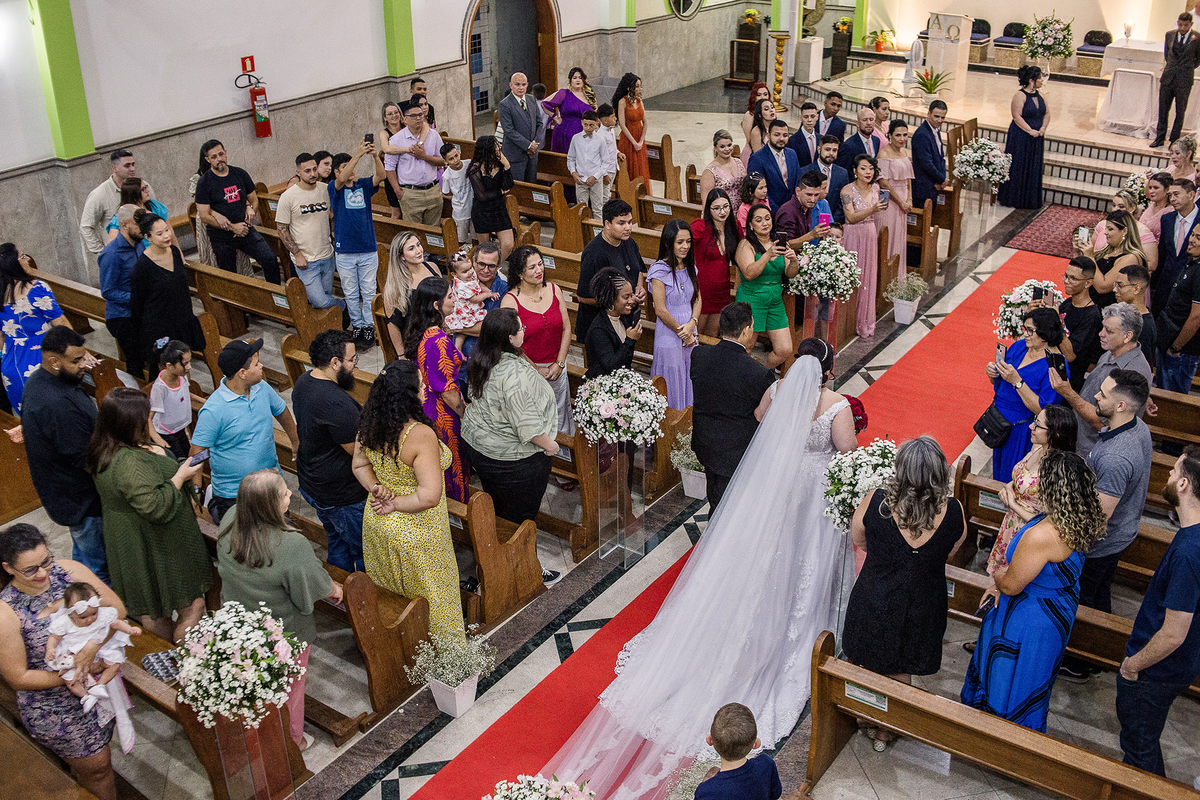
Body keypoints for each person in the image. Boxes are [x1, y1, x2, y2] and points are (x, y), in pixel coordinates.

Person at [542, 354, 856, 797]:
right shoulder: (837, 405)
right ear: (827, 370)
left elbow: (761, 417)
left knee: (771, 559)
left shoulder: (778, 390)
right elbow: (849, 452)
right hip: (815, 491)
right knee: (806, 562)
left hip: (780, 486)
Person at [961, 450, 1108, 731]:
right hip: (1056, 609)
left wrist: (998, 577)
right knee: (1035, 677)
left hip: (1029, 618)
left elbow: (1011, 584)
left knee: (1012, 680)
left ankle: (1001, 734)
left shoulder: (1043, 535)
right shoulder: (1075, 519)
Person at [843, 436, 966, 748]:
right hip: (925, 602)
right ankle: (887, 728)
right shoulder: (953, 510)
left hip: (877, 595)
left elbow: (859, 539)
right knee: (902, 666)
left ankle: (866, 715)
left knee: (868, 659)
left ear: (901, 470)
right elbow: (953, 549)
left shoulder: (877, 502)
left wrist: (888, 557)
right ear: (940, 472)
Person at [216, 469, 341, 751]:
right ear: (269, 506)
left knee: (259, 686)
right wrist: (335, 589)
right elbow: (312, 585)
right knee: (290, 689)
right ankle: (293, 743)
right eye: (284, 493)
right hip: (282, 633)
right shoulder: (290, 544)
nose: (290, 494)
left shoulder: (232, 517)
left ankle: (263, 733)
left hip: (241, 624)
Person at [0, 524, 122, 800]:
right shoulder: (6, 612)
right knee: (98, 767)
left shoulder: (69, 571)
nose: (43, 574)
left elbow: (117, 609)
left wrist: (92, 647)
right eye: (31, 570)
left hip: (96, 682)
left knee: (101, 754)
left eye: (46, 561)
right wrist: (76, 672)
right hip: (53, 705)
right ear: (8, 568)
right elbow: (18, 677)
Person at [353, 360, 466, 642]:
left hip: (378, 523)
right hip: (417, 529)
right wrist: (395, 503)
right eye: (420, 384)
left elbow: (359, 465)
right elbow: (429, 496)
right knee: (434, 595)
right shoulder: (419, 435)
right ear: (408, 395)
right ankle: (446, 654)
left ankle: (405, 648)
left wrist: (376, 487)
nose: (425, 388)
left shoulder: (370, 420)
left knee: (395, 592)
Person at [87, 387, 209, 643]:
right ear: (128, 422)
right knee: (191, 605)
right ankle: (184, 658)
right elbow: (155, 506)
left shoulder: (108, 446)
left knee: (154, 607)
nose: (148, 421)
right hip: (154, 544)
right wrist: (180, 476)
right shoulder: (127, 463)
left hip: (135, 541)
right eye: (144, 417)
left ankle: (166, 658)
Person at [1059, 370, 1154, 682]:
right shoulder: (1136, 426)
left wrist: (1067, 540)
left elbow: (1098, 516)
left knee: (1082, 600)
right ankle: (1097, 653)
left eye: (1103, 394)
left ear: (1122, 406)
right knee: (1099, 595)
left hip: (1100, 543)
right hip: (1121, 533)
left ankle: (1079, 660)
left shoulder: (1116, 458)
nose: (1096, 397)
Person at [461, 309, 561, 585]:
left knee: (501, 511)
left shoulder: (481, 357)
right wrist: (551, 446)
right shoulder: (513, 375)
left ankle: (499, 564)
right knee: (521, 520)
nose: (524, 331)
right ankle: (525, 572)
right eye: (520, 328)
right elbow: (528, 428)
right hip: (513, 461)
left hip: (482, 449)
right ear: (509, 338)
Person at [1117, 445, 1200, 775]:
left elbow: (1173, 633)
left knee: (1139, 747)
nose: (1169, 473)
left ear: (1184, 484)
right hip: (1176, 665)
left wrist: (1132, 665)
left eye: (1174, 470)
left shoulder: (1189, 553)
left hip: (1157, 671)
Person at [20, 327, 107, 582]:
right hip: (80, 498)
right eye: (76, 360)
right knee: (98, 565)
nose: (84, 365)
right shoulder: (55, 403)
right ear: (54, 361)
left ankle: (77, 586)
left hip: (72, 496)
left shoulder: (47, 379)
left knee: (84, 556)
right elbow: (84, 458)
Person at [190, 339, 299, 526]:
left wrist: (295, 441)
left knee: (282, 532)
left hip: (272, 485)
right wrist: (196, 490)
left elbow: (281, 410)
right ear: (242, 373)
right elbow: (197, 452)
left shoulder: (262, 388)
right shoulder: (214, 410)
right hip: (235, 495)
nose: (261, 366)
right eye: (256, 364)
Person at [292, 330, 368, 573]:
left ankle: (339, 586)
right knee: (365, 552)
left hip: (313, 482)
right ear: (335, 362)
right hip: (342, 496)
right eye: (352, 359)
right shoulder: (336, 403)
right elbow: (359, 453)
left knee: (337, 542)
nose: (355, 365)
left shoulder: (304, 381)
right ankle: (362, 593)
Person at [689, 302, 775, 510]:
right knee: (730, 508)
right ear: (746, 330)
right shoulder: (758, 373)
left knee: (715, 496)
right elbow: (765, 414)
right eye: (752, 326)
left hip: (705, 442)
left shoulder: (699, 355)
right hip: (736, 450)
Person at [984, 406, 1078, 578]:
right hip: (1011, 524)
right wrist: (1009, 487)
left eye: (1038, 425)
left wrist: (1013, 504)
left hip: (1027, 534)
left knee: (1010, 581)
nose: (1030, 426)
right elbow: (1022, 478)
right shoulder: (1038, 448)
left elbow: (1048, 523)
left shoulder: (1058, 472)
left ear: (1055, 433)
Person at [1050, 303, 1152, 457]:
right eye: (1103, 327)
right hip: (1081, 442)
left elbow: (1103, 423)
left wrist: (1068, 393)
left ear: (1127, 336)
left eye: (1109, 331)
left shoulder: (1132, 371)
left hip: (1097, 452)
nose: (1101, 334)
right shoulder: (1109, 354)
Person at [404, 279, 468, 504]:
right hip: (443, 412)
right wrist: (464, 413)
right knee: (452, 464)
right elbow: (447, 390)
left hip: (427, 405)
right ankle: (457, 507)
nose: (454, 299)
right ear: (435, 305)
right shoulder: (438, 341)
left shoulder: (423, 331)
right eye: (450, 296)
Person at [986, 307, 1067, 482]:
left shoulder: (1055, 364)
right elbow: (999, 382)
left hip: (1021, 429)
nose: (1025, 334)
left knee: (1011, 477)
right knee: (997, 473)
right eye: (1025, 329)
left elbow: (1044, 409)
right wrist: (992, 373)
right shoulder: (1020, 346)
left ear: (1045, 333)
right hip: (999, 421)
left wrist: (1017, 381)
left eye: (1031, 330)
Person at [501, 246, 573, 433]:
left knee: (560, 417)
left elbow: (566, 328)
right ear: (520, 274)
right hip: (527, 371)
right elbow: (509, 343)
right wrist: (535, 369)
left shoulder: (554, 289)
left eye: (540, 264)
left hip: (557, 367)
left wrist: (560, 363)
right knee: (537, 421)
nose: (539, 270)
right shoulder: (510, 301)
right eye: (532, 267)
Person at [44, 581, 139, 714]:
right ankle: (85, 697)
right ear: (70, 613)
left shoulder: (103, 614)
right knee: (68, 676)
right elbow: (54, 637)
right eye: (83, 617)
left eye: (93, 614)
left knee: (115, 662)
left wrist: (129, 630)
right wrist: (50, 648)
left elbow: (116, 623)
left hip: (99, 650)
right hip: (74, 653)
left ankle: (99, 686)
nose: (90, 619)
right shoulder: (64, 622)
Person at [194, 140, 280, 284]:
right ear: (208, 160)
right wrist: (233, 227)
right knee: (230, 275)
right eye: (214, 157)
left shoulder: (239, 173)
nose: (219, 159)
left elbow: (254, 200)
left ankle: (276, 294)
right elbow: (204, 216)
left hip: (246, 230)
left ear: (226, 153)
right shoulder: (204, 182)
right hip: (221, 236)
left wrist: (251, 210)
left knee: (270, 259)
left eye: (221, 154)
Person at [128, 213, 206, 371]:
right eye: (159, 233)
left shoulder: (174, 252)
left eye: (166, 230)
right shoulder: (142, 267)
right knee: (165, 370)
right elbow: (137, 304)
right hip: (160, 327)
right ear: (147, 237)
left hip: (182, 320)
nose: (166, 236)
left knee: (185, 366)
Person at [277, 152, 346, 321]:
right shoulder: (288, 196)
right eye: (307, 171)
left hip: (327, 255)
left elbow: (333, 215)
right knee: (319, 301)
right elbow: (281, 229)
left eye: (315, 169)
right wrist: (297, 254)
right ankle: (345, 306)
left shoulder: (325, 189)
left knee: (325, 299)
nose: (313, 174)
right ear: (298, 172)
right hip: (306, 260)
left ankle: (329, 327)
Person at [0, 244, 69, 413]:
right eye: (23, 256)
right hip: (41, 355)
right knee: (56, 412)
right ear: (14, 264)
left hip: (11, 363)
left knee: (30, 415)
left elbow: (0, 338)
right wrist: (77, 350)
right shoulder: (37, 288)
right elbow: (60, 323)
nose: (27, 260)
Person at [735, 203, 799, 369]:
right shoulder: (745, 244)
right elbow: (749, 274)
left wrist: (794, 261)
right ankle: (743, 380)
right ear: (751, 224)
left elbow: (790, 273)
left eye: (767, 218)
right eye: (759, 220)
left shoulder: (779, 242)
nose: (765, 223)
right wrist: (767, 254)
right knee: (747, 347)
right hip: (751, 298)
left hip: (775, 300)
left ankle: (763, 373)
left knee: (784, 349)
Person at [575, 198, 645, 341]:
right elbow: (582, 296)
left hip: (625, 319)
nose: (628, 227)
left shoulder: (629, 242)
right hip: (600, 328)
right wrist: (621, 300)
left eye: (630, 222)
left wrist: (639, 287)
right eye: (621, 223)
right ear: (607, 224)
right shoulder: (594, 253)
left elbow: (638, 269)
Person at [649, 220, 701, 410]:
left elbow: (697, 299)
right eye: (680, 242)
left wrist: (692, 324)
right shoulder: (659, 270)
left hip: (690, 329)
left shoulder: (690, 267)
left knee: (689, 374)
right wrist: (683, 332)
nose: (685, 246)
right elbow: (660, 309)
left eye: (688, 241)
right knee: (671, 378)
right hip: (670, 332)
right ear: (668, 242)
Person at [80, 150, 150, 270]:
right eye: (127, 165)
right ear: (114, 168)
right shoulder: (99, 195)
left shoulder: (143, 187)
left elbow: (153, 210)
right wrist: (104, 252)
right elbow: (86, 227)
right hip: (120, 257)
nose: (132, 169)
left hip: (146, 250)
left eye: (133, 164)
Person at [694, 704, 782, 800]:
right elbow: (775, 795)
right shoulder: (766, 764)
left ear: (710, 740)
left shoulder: (705, 791)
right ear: (756, 744)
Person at [98, 206, 146, 379]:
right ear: (124, 225)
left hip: (140, 311)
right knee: (135, 361)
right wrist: (137, 298)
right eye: (138, 224)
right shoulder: (111, 254)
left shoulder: (139, 244)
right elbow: (108, 291)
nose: (143, 228)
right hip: (122, 316)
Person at [842, 154, 886, 338]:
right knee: (854, 275)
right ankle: (848, 321)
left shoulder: (876, 187)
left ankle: (864, 321)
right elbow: (851, 217)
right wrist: (872, 209)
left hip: (870, 233)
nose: (868, 172)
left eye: (871, 168)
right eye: (863, 168)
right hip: (853, 234)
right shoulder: (847, 190)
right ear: (855, 171)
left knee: (868, 276)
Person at [384, 98, 445, 226]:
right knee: (413, 232)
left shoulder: (433, 135)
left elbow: (442, 160)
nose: (418, 118)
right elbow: (389, 168)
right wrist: (398, 191)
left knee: (433, 232)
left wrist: (424, 157)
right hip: (411, 193)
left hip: (432, 190)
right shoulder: (396, 140)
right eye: (413, 116)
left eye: (420, 115)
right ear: (404, 119)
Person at [383, 231, 442, 358]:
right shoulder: (396, 285)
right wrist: (402, 355)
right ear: (402, 256)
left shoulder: (433, 268)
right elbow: (393, 324)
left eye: (418, 245)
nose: (418, 250)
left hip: (439, 334)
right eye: (411, 248)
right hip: (416, 343)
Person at [1154, 226, 1200, 392]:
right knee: (1161, 392)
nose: (1191, 240)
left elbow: (1196, 317)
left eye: (1198, 238)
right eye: (1192, 234)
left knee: (1171, 397)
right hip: (1168, 340)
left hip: (1182, 351)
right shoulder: (1192, 261)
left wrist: (1176, 347)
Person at [998, 65, 1049, 209]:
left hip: (1037, 136)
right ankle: (1015, 198)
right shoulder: (1020, 95)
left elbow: (1047, 113)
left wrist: (1043, 128)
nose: (1042, 81)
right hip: (1021, 136)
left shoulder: (1041, 95)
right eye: (1040, 78)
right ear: (1032, 80)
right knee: (1019, 165)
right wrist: (1030, 130)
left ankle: (1029, 199)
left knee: (1033, 166)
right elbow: (1017, 116)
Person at [1074, 211, 1148, 309]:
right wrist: (1078, 252)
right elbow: (1078, 274)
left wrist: (1090, 256)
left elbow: (1102, 287)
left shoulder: (1131, 258)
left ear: (1124, 231)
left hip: (1108, 310)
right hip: (1087, 303)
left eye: (1110, 229)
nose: (1105, 232)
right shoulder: (1105, 250)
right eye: (1106, 228)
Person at [692, 189, 738, 338]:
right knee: (696, 334)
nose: (722, 212)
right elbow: (680, 243)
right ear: (709, 209)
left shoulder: (734, 227)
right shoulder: (700, 226)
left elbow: (742, 253)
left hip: (722, 289)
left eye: (725, 207)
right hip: (702, 290)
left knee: (712, 335)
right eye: (716, 208)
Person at [584, 268, 643, 379]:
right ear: (611, 299)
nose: (631, 301)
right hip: (602, 384)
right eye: (626, 297)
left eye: (631, 295)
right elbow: (611, 366)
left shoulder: (623, 318)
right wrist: (630, 340)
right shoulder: (599, 330)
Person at [1152, 178, 1199, 317]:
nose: (1172, 199)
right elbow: (1162, 253)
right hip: (1164, 287)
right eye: (1170, 195)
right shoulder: (1167, 219)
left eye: (1176, 194)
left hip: (1189, 290)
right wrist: (1154, 285)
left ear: (1191, 195)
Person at [1153, 12, 1200, 148]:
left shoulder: (1197, 37)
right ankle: (1159, 138)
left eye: (1186, 25)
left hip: (1184, 80)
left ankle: (1174, 140)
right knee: (1163, 109)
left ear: (1191, 24)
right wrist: (1172, 67)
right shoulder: (1170, 35)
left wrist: (1186, 68)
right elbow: (1167, 54)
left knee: (1180, 112)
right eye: (1180, 24)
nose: (1182, 28)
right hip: (1168, 77)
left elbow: (1198, 59)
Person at [1057, 256, 1103, 391]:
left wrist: (1056, 323)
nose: (1066, 281)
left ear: (1088, 283)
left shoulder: (1092, 316)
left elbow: (1070, 356)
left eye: (1073, 278)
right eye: (1066, 276)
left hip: (1070, 381)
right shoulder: (1067, 303)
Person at [875, 120, 915, 277]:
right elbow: (884, 183)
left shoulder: (904, 152)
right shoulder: (883, 154)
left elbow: (908, 178)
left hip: (903, 201)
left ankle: (898, 276)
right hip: (890, 202)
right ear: (890, 135)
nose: (902, 138)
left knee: (899, 237)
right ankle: (886, 276)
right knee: (889, 236)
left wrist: (909, 199)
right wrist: (901, 202)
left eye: (905, 135)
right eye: (898, 135)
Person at [467, 135, 515, 260]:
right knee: (485, 249)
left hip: (499, 210)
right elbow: (482, 195)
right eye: (495, 147)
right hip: (482, 212)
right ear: (487, 150)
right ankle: (489, 266)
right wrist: (500, 192)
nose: (499, 149)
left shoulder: (500, 164)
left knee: (508, 245)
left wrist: (507, 166)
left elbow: (509, 185)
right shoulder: (475, 169)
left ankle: (495, 266)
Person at [457, 241, 508, 358]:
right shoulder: (462, 283)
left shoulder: (504, 290)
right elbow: (446, 318)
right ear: (474, 261)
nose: (485, 270)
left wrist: (457, 327)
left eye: (491, 266)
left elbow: (494, 328)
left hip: (488, 356)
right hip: (460, 358)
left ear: (498, 265)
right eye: (481, 264)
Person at [149, 341, 193, 461]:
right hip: (167, 434)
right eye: (185, 363)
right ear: (170, 366)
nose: (189, 367)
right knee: (182, 462)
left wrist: (204, 402)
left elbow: (184, 394)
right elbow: (148, 418)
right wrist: (158, 440)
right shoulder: (160, 388)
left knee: (191, 458)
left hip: (179, 429)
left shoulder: (182, 376)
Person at [1096, 189, 1159, 273]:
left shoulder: (1143, 231)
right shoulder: (1102, 225)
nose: (1115, 209)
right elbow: (1092, 249)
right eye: (1114, 205)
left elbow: (1151, 264)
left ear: (1132, 208)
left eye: (1121, 206)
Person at [499, 73, 545, 184]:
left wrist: (534, 143)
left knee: (531, 185)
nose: (520, 87)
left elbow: (539, 123)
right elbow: (509, 130)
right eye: (517, 84)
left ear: (527, 85)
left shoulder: (531, 99)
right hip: (515, 155)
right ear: (511, 85)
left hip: (532, 154)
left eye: (523, 84)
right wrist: (528, 145)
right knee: (518, 187)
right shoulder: (505, 104)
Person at [445, 250, 494, 353]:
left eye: (471, 268)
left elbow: (478, 283)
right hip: (464, 311)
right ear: (454, 274)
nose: (470, 272)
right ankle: (457, 349)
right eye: (465, 271)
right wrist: (487, 295)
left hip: (470, 308)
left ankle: (458, 349)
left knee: (463, 330)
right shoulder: (461, 286)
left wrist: (487, 290)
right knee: (462, 330)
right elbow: (474, 299)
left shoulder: (470, 275)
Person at [797, 136, 851, 224]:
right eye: (827, 149)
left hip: (834, 222)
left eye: (834, 150)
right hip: (809, 222)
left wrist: (832, 222)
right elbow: (800, 198)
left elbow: (844, 201)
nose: (831, 153)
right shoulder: (805, 171)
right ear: (819, 149)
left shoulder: (842, 173)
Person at [568, 111, 611, 218]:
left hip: (595, 179)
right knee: (581, 209)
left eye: (591, 125)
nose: (588, 128)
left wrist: (595, 176)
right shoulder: (576, 138)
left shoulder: (600, 140)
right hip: (580, 179)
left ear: (596, 124)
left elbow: (605, 161)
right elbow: (571, 158)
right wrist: (573, 173)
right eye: (585, 124)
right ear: (581, 122)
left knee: (597, 208)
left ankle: (597, 228)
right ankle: (582, 228)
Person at [543, 67, 596, 154]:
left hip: (584, 132)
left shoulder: (589, 96)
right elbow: (545, 103)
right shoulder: (564, 93)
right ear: (570, 80)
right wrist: (556, 118)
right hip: (564, 132)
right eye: (574, 78)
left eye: (580, 77)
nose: (577, 80)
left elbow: (595, 114)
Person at [748, 120, 799, 210]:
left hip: (792, 209)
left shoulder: (792, 154)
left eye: (785, 135)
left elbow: (797, 181)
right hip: (770, 210)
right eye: (777, 135)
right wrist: (777, 211)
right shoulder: (757, 158)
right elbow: (757, 190)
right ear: (768, 135)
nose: (781, 138)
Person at [775, 171, 833, 250]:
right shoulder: (788, 212)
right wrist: (811, 235)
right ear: (798, 191)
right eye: (809, 195)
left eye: (816, 195)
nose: (813, 200)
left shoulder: (806, 207)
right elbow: (784, 245)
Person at [103, 177, 171, 244]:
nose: (147, 191)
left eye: (146, 187)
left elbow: (170, 231)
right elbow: (112, 244)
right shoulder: (121, 218)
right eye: (142, 189)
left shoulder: (155, 206)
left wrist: (176, 249)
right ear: (133, 194)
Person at [1115, 263, 1158, 364]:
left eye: (1120, 285)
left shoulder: (1144, 326)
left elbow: (1142, 365)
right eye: (1115, 285)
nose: (1115, 290)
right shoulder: (1128, 315)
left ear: (1136, 289)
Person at [699, 130, 747, 220]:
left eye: (729, 145)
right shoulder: (710, 171)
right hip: (723, 215)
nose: (727, 149)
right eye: (722, 146)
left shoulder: (738, 162)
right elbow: (706, 202)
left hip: (741, 214)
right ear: (715, 148)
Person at [911, 101, 949, 209]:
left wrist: (942, 179)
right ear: (928, 114)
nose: (940, 120)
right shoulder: (922, 134)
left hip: (933, 186)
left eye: (942, 117)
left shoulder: (935, 131)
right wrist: (941, 180)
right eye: (936, 116)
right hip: (924, 188)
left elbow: (940, 158)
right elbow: (926, 164)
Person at [613, 73, 649, 183]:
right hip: (628, 140)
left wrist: (641, 141)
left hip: (639, 138)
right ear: (629, 88)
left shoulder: (639, 101)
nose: (640, 89)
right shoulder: (622, 102)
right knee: (630, 168)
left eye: (640, 86)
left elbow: (645, 122)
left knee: (640, 168)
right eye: (637, 86)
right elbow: (622, 125)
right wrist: (634, 143)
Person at [376, 102, 406, 219]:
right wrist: (408, 149)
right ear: (385, 117)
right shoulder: (384, 133)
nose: (394, 116)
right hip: (393, 174)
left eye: (396, 112)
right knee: (397, 212)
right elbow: (386, 149)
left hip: (408, 171)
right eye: (390, 114)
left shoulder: (406, 128)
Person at [440, 143, 473, 245]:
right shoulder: (447, 176)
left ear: (459, 153)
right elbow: (445, 193)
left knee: (476, 236)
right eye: (451, 159)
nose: (456, 160)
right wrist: (456, 197)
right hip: (460, 213)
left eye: (456, 155)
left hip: (474, 208)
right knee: (460, 239)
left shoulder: (469, 163)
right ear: (445, 161)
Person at [596, 103, 623, 208]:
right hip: (606, 171)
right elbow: (599, 157)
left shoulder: (611, 129)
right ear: (605, 120)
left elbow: (611, 146)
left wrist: (618, 152)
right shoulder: (601, 136)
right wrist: (604, 174)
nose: (615, 119)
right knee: (604, 196)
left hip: (613, 167)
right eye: (613, 117)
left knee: (608, 192)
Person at [739, 82, 772, 168]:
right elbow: (750, 141)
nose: (763, 97)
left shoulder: (772, 113)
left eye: (765, 94)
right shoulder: (749, 115)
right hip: (753, 154)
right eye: (759, 95)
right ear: (754, 97)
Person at [741, 98, 777, 169]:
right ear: (760, 115)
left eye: (772, 107)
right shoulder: (757, 131)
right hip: (759, 164)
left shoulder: (776, 127)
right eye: (766, 109)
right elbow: (758, 157)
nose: (771, 110)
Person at [1141, 171, 1174, 244]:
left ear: (1167, 190)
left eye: (1156, 188)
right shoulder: (1151, 205)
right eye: (1150, 187)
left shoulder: (1170, 212)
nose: (1151, 191)